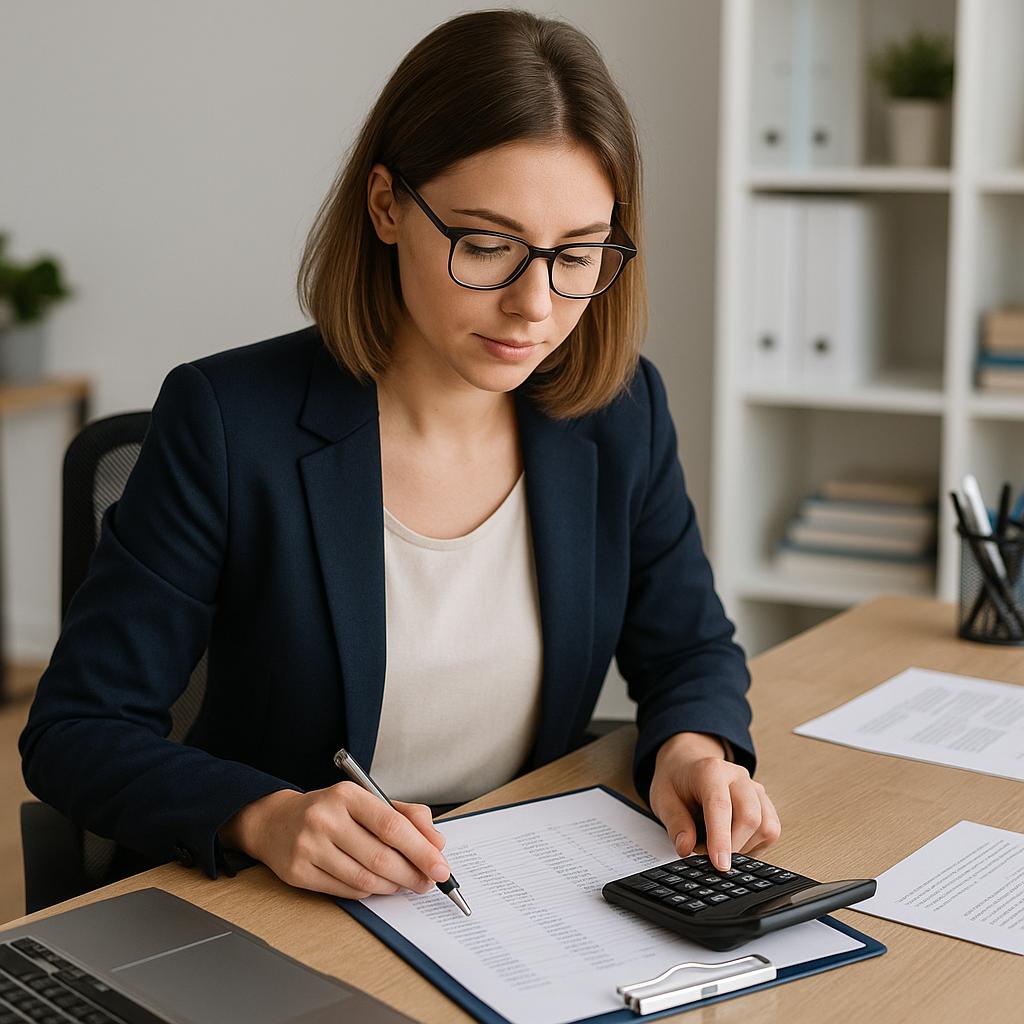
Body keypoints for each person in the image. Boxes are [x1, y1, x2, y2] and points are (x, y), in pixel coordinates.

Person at [20, 9, 779, 904]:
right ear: (386, 205)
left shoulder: (619, 411)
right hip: (285, 902)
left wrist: (695, 749)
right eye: (488, 245)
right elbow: (77, 728)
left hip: (526, 894)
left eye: (577, 254)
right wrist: (264, 816)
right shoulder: (229, 422)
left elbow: (690, 648)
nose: (535, 305)